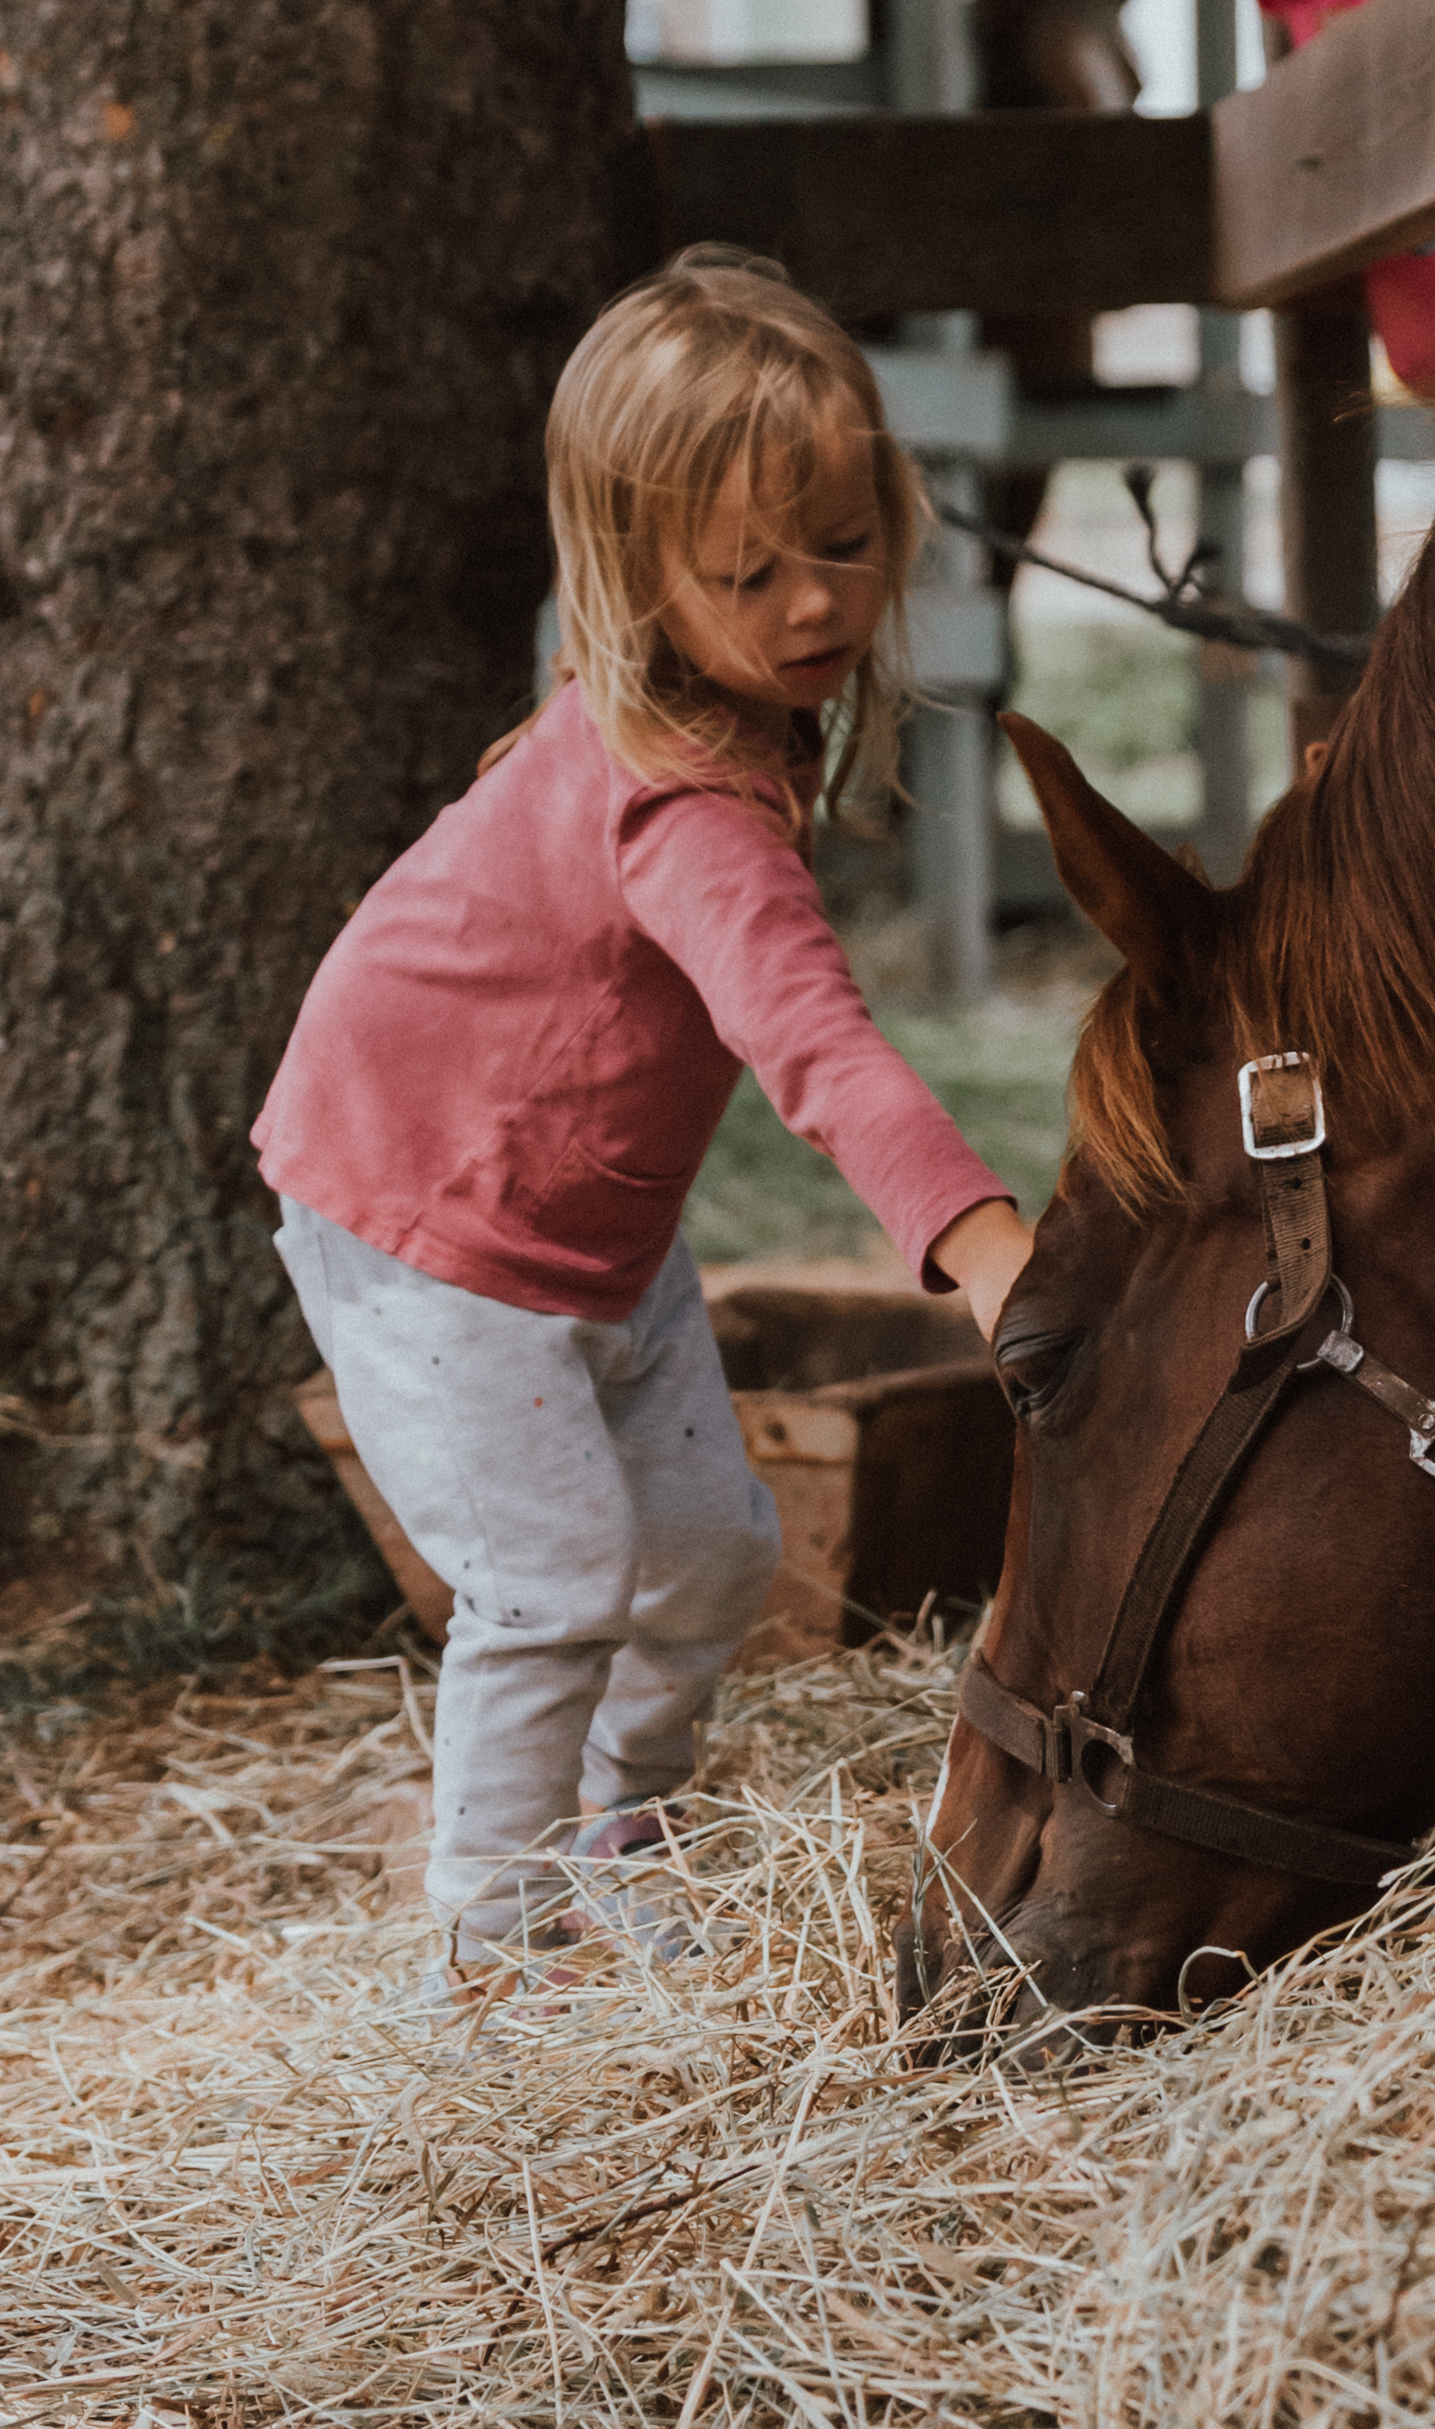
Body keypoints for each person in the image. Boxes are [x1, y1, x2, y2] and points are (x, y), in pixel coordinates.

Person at [258, 251, 1036, 1991]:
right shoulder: (682, 802)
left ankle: (619, 1823)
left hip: (587, 1223)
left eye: (842, 541)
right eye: (749, 571)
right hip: (430, 1219)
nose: (817, 600)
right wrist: (992, 1248)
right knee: (552, 1579)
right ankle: (490, 1950)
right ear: (631, 573)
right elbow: (813, 1047)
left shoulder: (726, 718)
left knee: (711, 1551)